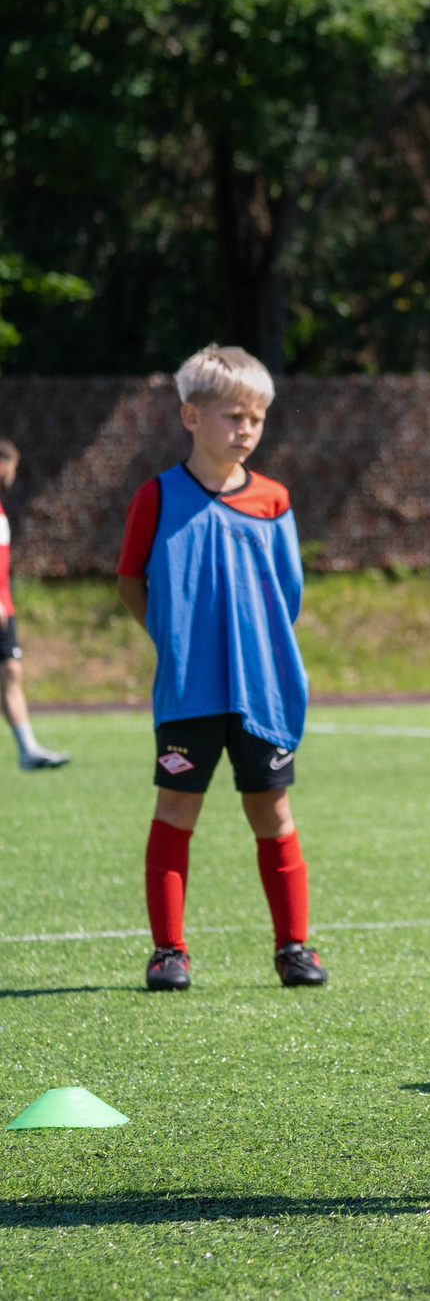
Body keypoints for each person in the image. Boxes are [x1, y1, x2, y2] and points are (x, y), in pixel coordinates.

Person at [114, 345, 326, 994]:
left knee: (272, 810)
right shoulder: (157, 496)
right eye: (233, 416)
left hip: (263, 692)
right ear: (190, 415)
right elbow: (130, 580)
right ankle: (168, 951)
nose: (246, 429)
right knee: (176, 807)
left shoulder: (273, 499)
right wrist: (173, 640)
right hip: (189, 692)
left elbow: (288, 594)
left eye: (256, 418)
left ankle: (293, 947)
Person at [0, 440, 69, 770]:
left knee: (11, 671)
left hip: (5, 605)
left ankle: (27, 749)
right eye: (12, 467)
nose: (13, 474)